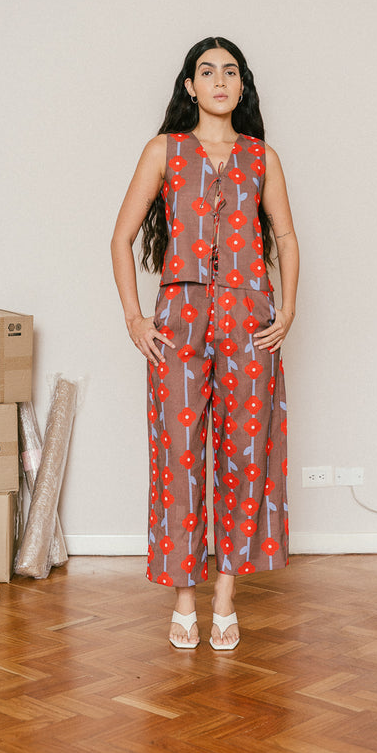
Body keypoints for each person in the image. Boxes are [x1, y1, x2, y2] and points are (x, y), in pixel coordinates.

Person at [111, 36, 299, 651]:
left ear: (242, 86)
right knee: (179, 455)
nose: (220, 80)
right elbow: (120, 237)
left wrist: (286, 309)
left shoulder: (261, 156)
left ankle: (224, 596)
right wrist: (136, 318)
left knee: (247, 452)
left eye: (231, 71)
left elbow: (286, 237)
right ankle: (184, 600)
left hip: (249, 318)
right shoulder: (164, 150)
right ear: (190, 86)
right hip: (180, 318)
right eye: (207, 71)